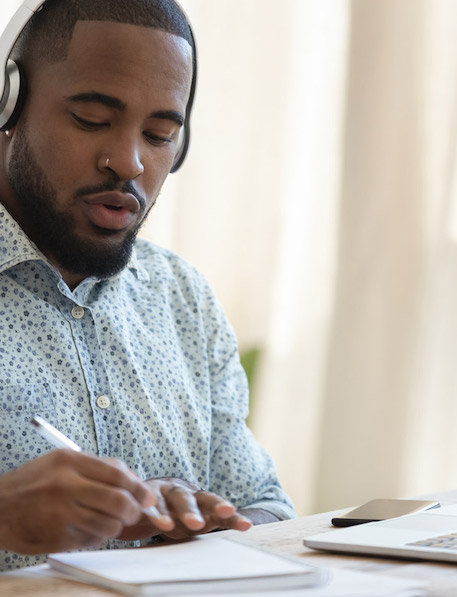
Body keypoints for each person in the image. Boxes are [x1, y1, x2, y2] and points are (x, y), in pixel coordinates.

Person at [0, 0, 295, 571]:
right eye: (91, 119)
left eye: (160, 134)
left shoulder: (183, 298)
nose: (129, 162)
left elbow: (267, 508)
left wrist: (207, 529)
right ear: (8, 101)